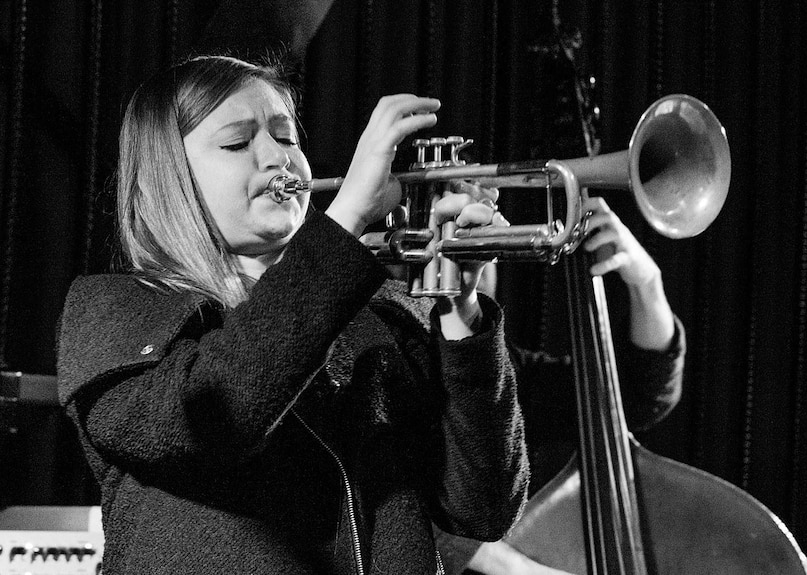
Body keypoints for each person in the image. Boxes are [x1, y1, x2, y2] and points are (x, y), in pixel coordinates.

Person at [55, 55, 529, 575]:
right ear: (169, 179)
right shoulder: (115, 308)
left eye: (287, 139)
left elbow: (483, 510)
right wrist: (346, 218)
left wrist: (463, 311)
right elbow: (216, 417)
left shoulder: (387, 313)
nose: (276, 160)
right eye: (238, 143)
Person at [435, 196, 686, 575]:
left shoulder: (508, 371)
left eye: (483, 236)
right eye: (460, 232)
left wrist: (647, 283)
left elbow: (639, 397)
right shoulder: (378, 347)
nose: (478, 255)